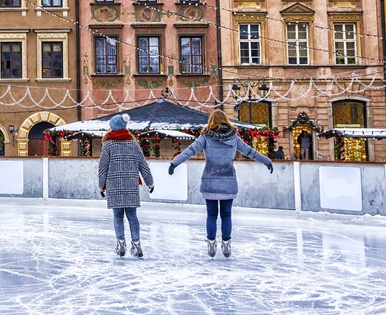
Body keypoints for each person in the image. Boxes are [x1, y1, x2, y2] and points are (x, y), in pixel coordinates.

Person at [169, 109, 272, 258]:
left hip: (210, 180)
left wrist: (174, 163)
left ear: (211, 121)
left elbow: (191, 150)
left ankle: (211, 244)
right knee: (226, 215)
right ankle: (226, 244)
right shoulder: (233, 137)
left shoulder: (206, 136)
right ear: (225, 120)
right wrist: (267, 161)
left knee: (211, 215)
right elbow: (249, 151)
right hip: (228, 180)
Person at [98, 113, 154, 258]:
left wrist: (101, 185)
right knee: (132, 216)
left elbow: (102, 167)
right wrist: (150, 182)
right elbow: (143, 165)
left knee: (117, 216)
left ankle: (121, 244)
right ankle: (137, 245)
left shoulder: (108, 145)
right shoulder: (133, 144)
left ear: (113, 127)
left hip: (114, 185)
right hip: (131, 185)